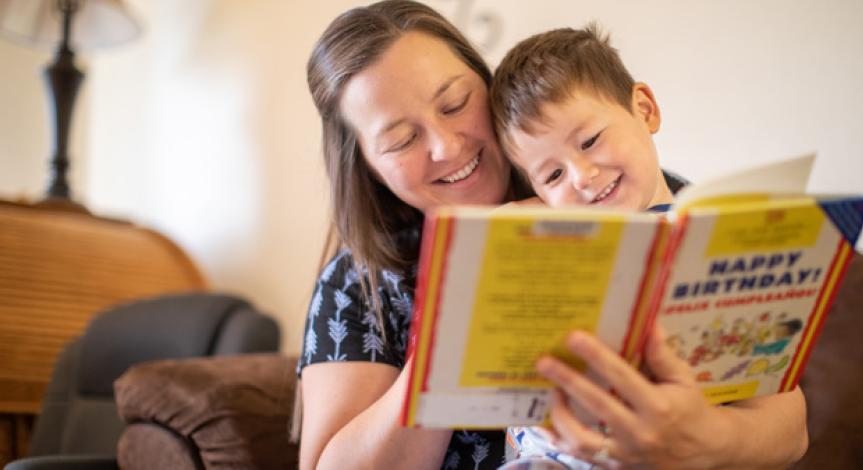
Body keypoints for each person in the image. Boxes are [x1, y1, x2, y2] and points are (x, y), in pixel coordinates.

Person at [297, 2, 807, 469]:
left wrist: (703, 438)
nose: (447, 146)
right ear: (366, 167)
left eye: (454, 104)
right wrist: (451, 333)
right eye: (402, 140)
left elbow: (787, 426)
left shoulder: (639, 200)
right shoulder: (359, 283)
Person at [489, 25, 808, 468]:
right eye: (553, 176)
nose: (581, 176)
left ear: (645, 109)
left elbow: (780, 403)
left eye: (589, 141)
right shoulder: (545, 240)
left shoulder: (708, 240)